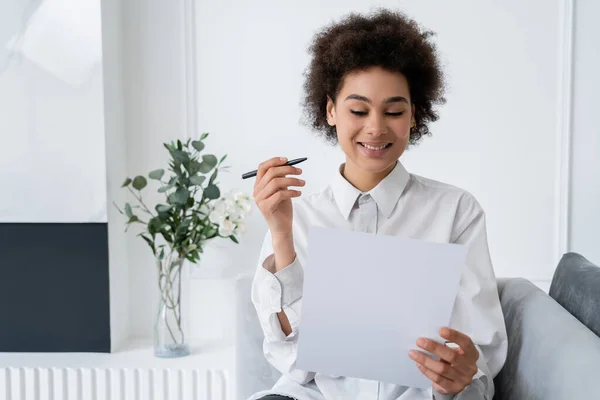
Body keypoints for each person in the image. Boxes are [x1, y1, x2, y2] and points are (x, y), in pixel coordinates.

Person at [248, 9, 507, 400]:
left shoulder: (456, 210)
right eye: (357, 110)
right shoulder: (297, 216)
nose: (375, 127)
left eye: (394, 111)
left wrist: (460, 371)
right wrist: (281, 234)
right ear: (330, 110)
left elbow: (478, 354)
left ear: (414, 115)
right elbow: (291, 359)